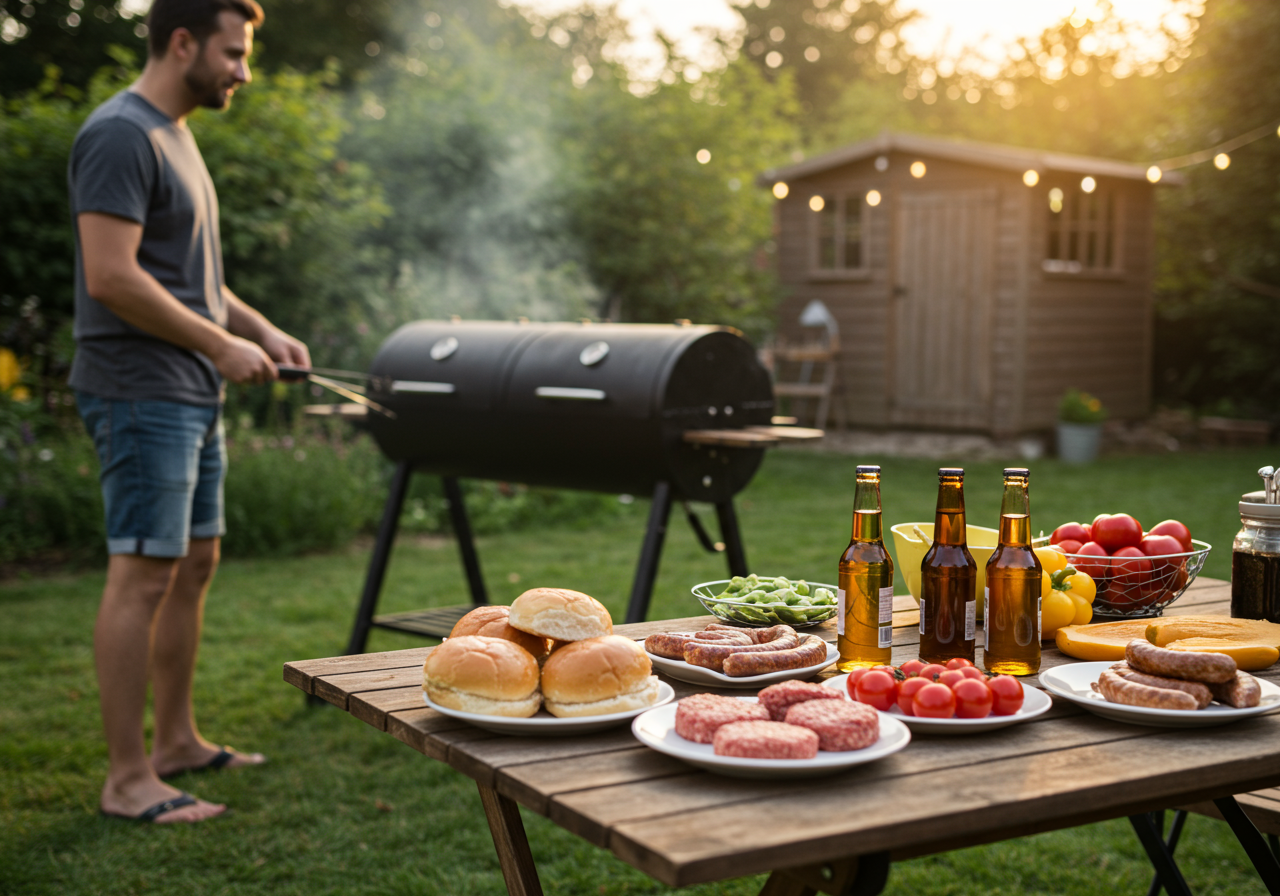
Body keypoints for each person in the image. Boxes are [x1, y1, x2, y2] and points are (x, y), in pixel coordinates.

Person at [68, 0, 308, 823]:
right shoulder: (119, 135)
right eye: (234, 53)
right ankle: (127, 779)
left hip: (186, 391)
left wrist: (262, 330)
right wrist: (218, 346)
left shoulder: (177, 136)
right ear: (182, 43)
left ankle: (174, 742)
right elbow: (112, 276)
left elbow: (188, 278)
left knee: (193, 566)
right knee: (142, 577)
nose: (244, 71)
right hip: (138, 388)